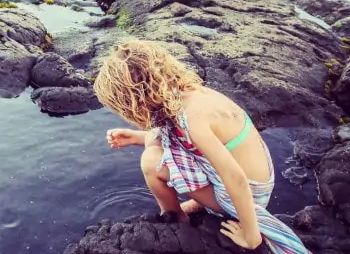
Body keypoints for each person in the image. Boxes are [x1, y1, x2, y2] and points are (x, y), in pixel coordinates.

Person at [92, 39, 311, 254]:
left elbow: (235, 178)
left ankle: (175, 216)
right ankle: (200, 202)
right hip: (258, 176)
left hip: (247, 193)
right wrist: (137, 138)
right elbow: (174, 137)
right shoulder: (189, 95)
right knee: (157, 138)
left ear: (136, 101)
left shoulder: (192, 120)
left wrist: (251, 235)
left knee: (151, 162)